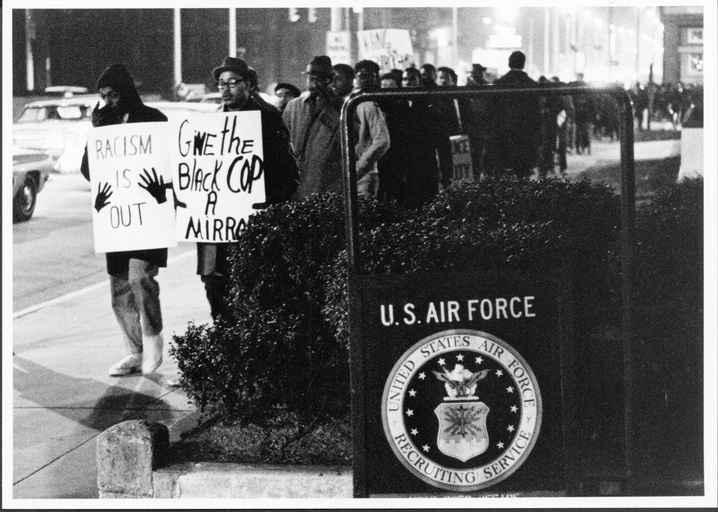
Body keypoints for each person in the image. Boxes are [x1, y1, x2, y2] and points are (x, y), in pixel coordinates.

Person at [80, 63, 168, 377]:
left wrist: (161, 190)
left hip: (149, 215)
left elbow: (167, 162)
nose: (108, 101)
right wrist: (96, 130)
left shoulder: (154, 119)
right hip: (117, 217)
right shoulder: (103, 122)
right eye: (103, 96)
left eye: (113, 94)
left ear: (126, 91)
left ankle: (153, 339)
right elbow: (89, 169)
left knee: (139, 278)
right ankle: (133, 351)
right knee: (119, 286)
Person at [197, 56, 298, 322]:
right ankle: (225, 343)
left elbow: (288, 175)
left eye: (232, 82)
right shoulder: (211, 123)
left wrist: (266, 206)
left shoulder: (266, 118)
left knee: (250, 292)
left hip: (251, 225)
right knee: (214, 286)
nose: (225, 89)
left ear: (249, 85)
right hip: (215, 227)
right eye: (221, 84)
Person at [283, 56, 345, 199]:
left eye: (320, 79)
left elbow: (350, 140)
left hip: (328, 187)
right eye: (311, 78)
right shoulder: (294, 106)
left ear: (329, 80)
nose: (314, 84)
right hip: (298, 186)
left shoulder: (342, 106)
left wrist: (329, 111)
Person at [485, 51, 541, 179]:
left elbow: (491, 111)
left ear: (509, 63)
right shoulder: (531, 84)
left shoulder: (499, 84)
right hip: (525, 136)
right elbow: (536, 113)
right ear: (523, 64)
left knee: (504, 173)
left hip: (503, 135)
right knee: (523, 174)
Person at [351, 59, 390, 199]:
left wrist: (358, 168)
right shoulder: (352, 100)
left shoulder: (369, 103)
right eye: (362, 76)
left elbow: (382, 141)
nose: (366, 80)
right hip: (363, 170)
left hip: (367, 172)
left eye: (370, 76)